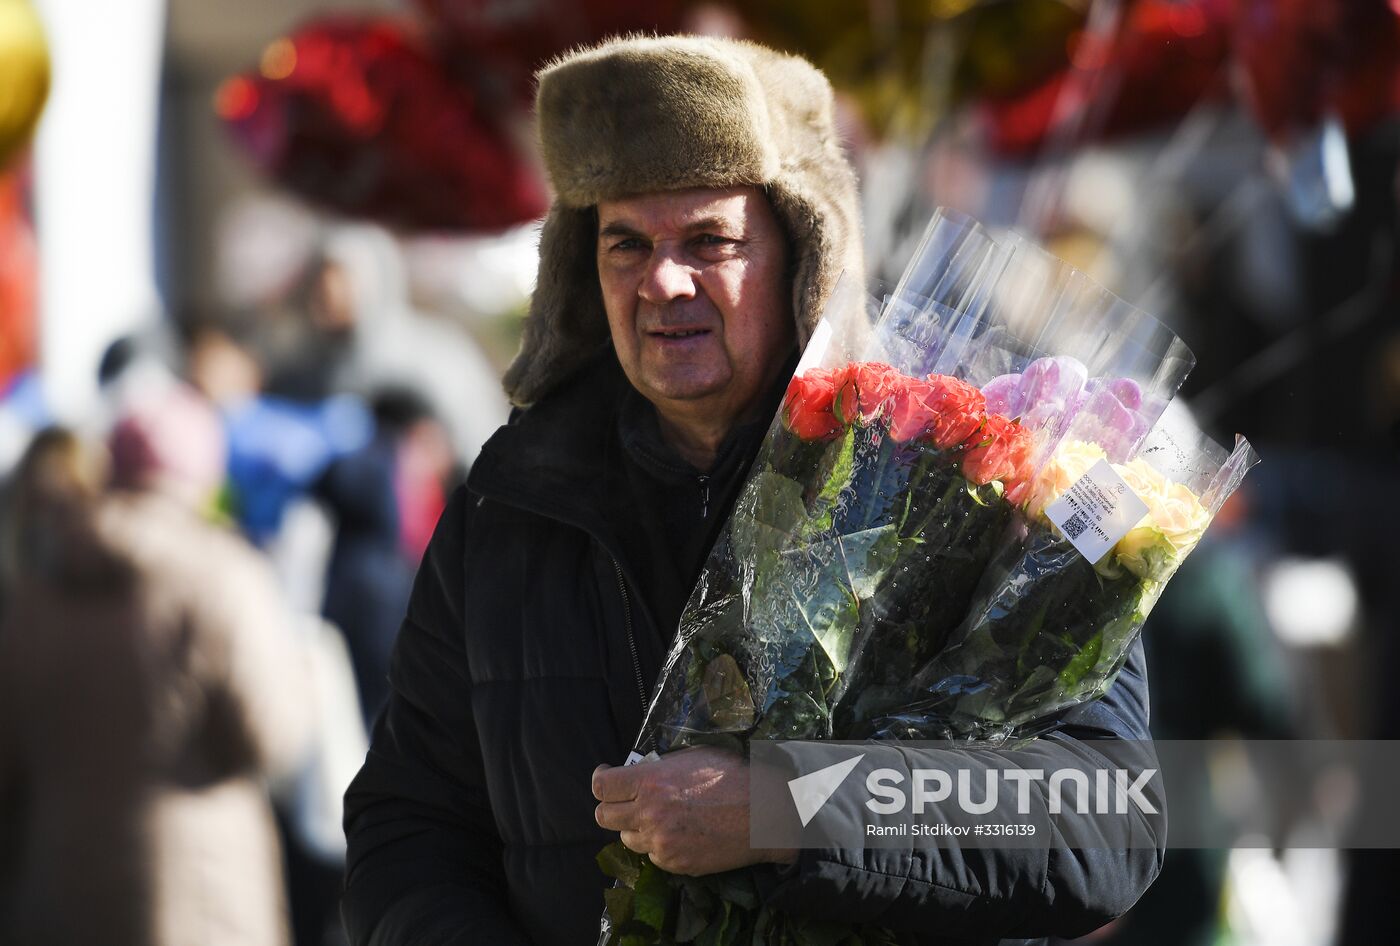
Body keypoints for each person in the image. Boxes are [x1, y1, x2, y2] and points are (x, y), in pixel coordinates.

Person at [341, 34, 1162, 946]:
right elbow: (407, 823)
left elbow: (1105, 818)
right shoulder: (510, 501)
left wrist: (787, 810)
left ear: (804, 258)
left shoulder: (959, 480)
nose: (661, 279)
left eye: (709, 240)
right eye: (625, 244)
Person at [0, 399, 311, 945]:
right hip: (200, 902)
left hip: (55, 900)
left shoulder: (39, 586)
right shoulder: (223, 574)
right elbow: (271, 736)